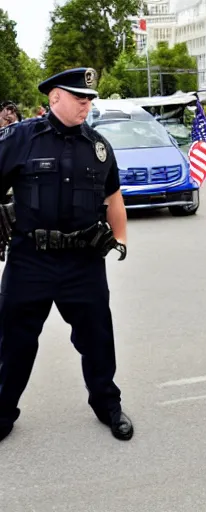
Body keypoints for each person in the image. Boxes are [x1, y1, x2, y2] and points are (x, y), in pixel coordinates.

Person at [0, 68, 133, 443]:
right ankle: (3, 411)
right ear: (55, 96)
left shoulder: (99, 146)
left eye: (90, 98)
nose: (86, 104)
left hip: (83, 261)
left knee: (97, 340)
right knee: (14, 342)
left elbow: (113, 197)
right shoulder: (20, 138)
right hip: (31, 260)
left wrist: (120, 238)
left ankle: (108, 406)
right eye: (79, 97)